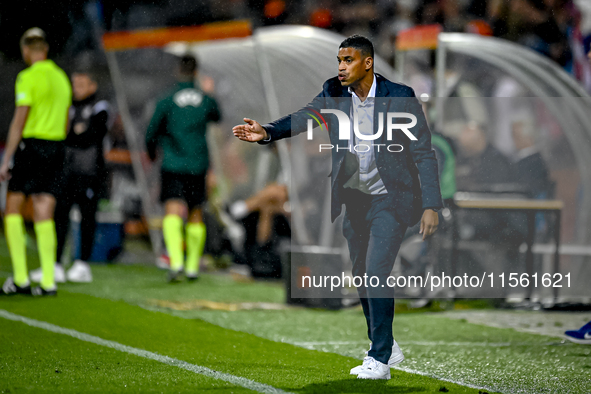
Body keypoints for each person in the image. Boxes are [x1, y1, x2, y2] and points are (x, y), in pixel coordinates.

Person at [233, 35, 442, 379]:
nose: (341, 67)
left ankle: (379, 358)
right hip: (356, 201)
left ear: (368, 63)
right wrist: (268, 131)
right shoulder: (333, 91)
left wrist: (432, 204)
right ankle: (386, 341)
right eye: (339, 61)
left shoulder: (399, 97)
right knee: (361, 275)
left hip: (391, 199)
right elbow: (305, 117)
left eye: (348, 60)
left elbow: (422, 152)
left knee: (376, 271)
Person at [0, 28, 72, 296]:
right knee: (45, 210)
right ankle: (49, 281)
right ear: (46, 49)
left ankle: (20, 279)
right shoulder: (62, 78)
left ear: (26, 50)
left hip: (32, 146)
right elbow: (65, 120)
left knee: (13, 209)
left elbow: (20, 119)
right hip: (57, 147)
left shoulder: (27, 77)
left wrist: (6, 159)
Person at [30, 70, 111, 283]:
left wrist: (75, 133)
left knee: (87, 217)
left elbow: (92, 135)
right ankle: (55, 263)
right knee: (60, 216)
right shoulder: (67, 105)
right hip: (65, 171)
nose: (76, 89)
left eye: (81, 84)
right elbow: (64, 133)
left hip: (89, 173)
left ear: (92, 86)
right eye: (74, 84)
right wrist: (76, 132)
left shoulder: (99, 106)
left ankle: (82, 263)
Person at [146, 55, 221, 282]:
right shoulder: (206, 100)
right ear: (196, 72)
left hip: (173, 163)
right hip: (197, 163)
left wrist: (152, 153)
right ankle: (192, 267)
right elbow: (217, 116)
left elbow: (151, 131)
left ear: (179, 70)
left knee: (172, 209)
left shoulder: (167, 99)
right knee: (195, 211)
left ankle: (176, 262)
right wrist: (208, 92)